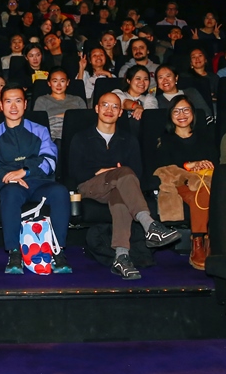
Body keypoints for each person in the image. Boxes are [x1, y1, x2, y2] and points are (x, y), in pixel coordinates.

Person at [68, 92, 181, 280]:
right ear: (96, 108)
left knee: (120, 196)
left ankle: (121, 256)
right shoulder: (81, 138)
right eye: (105, 105)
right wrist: (106, 171)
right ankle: (150, 225)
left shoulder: (128, 140)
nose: (109, 110)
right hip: (89, 187)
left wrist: (115, 173)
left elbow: (136, 174)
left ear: (121, 112)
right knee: (123, 173)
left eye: (115, 107)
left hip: (119, 187)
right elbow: (75, 172)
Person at [0, 84, 71, 274]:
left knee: (60, 192)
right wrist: (7, 176)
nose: (13, 106)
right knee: (11, 194)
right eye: (8, 101)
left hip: (39, 182)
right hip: (10, 184)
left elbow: (50, 161)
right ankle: (14, 253)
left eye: (18, 101)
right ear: (1, 106)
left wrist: (25, 171)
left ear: (25, 104)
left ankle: (58, 251)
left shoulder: (40, 130)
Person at [153, 96, 216, 269]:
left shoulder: (206, 136)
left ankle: (204, 241)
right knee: (200, 194)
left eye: (186, 110)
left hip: (206, 182)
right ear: (170, 116)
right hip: (180, 183)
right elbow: (162, 166)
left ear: (193, 114)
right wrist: (190, 166)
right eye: (176, 111)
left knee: (203, 192)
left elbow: (214, 160)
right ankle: (199, 241)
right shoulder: (165, 139)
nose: (182, 114)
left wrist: (205, 164)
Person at [33, 67, 87, 141]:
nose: (58, 85)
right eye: (55, 81)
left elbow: (84, 121)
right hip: (51, 138)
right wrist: (68, 116)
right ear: (49, 83)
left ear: (67, 82)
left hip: (75, 137)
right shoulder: (42, 100)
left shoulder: (78, 100)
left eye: (62, 81)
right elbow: (39, 123)